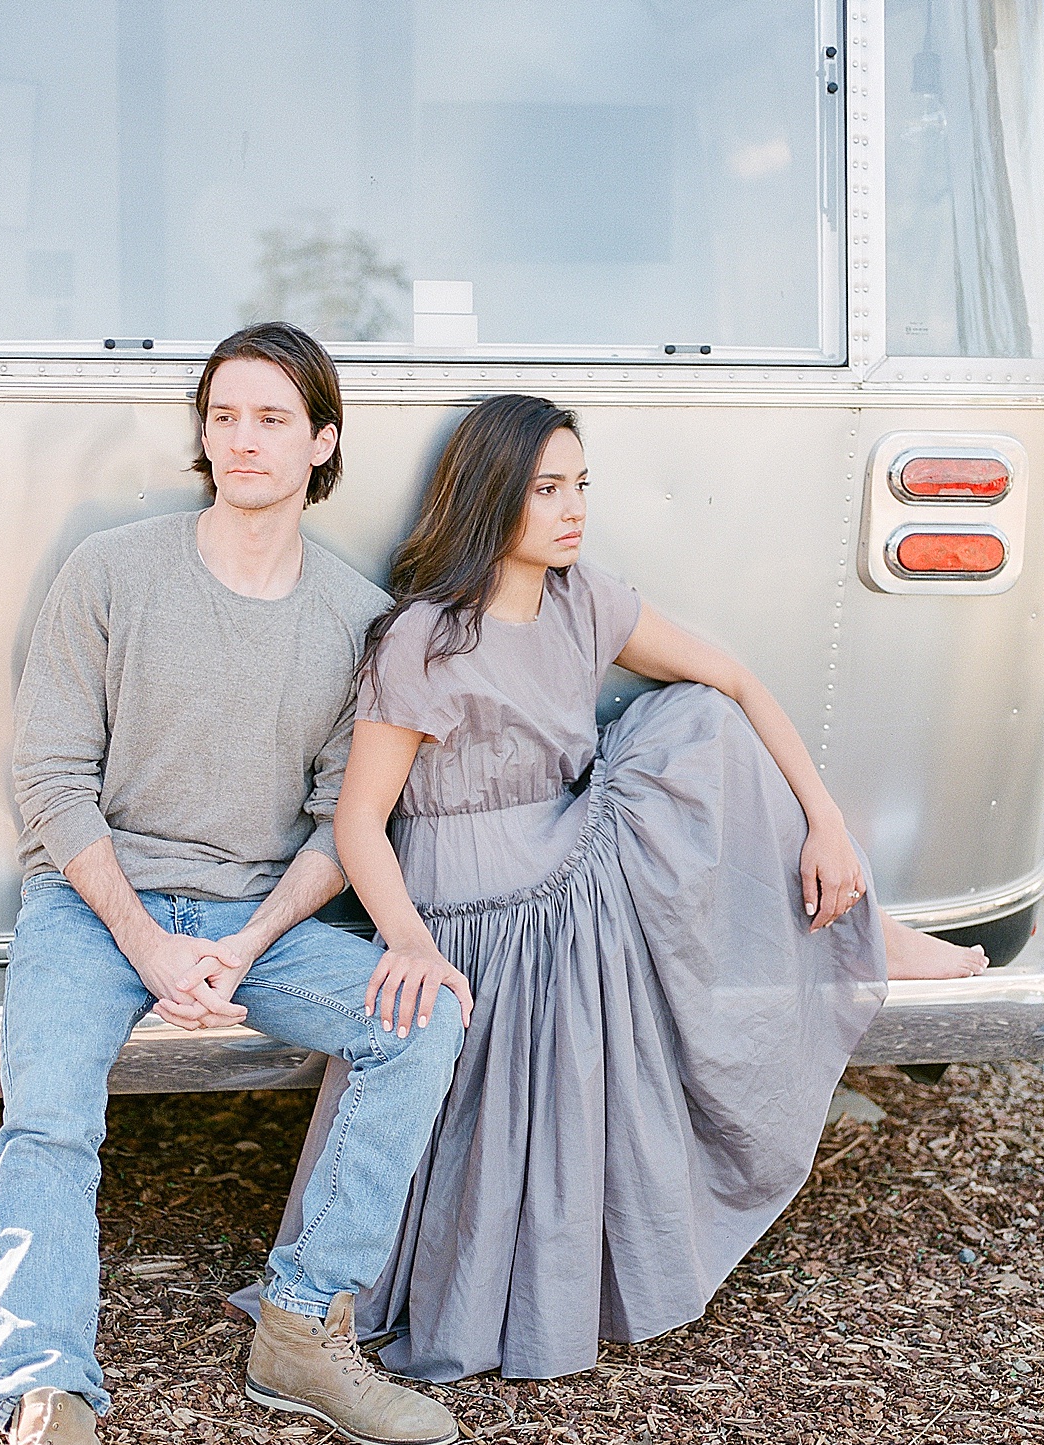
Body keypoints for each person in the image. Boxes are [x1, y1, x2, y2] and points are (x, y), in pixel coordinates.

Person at [272, 393, 988, 1387]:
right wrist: (406, 940)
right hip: (474, 909)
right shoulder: (426, 640)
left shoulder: (586, 601)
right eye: (548, 490)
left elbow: (736, 679)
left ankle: (866, 927)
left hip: (569, 863)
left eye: (581, 487)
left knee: (697, 721)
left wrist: (828, 824)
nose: (574, 510)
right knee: (684, 746)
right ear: (492, 499)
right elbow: (359, 821)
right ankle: (860, 937)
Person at [0, 323, 465, 1445]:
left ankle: (300, 1323)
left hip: (257, 917)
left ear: (323, 442)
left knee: (422, 1018)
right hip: (95, 905)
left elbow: (351, 820)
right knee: (48, 1123)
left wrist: (238, 945)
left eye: (273, 418)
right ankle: (52, 1426)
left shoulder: (357, 620)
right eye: (224, 415)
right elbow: (53, 783)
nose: (242, 438)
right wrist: (145, 941)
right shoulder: (111, 574)